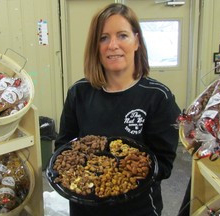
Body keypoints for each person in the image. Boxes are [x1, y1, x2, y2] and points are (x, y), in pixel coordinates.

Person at [55, 3, 181, 216]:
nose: (112, 45)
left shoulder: (157, 96)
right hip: (85, 207)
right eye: (103, 38)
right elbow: (64, 146)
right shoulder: (79, 92)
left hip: (137, 209)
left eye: (122, 35)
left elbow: (164, 163)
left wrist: (121, 181)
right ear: (95, 46)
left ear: (137, 41)